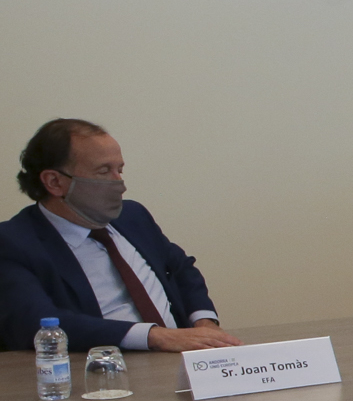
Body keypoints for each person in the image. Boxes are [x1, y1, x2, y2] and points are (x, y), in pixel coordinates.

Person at [0, 118, 239, 353]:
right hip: (103, 368)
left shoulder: (133, 216)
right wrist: (155, 336)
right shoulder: (13, 242)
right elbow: (34, 321)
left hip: (179, 356)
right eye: (104, 171)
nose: (120, 184)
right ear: (54, 182)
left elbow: (181, 268)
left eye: (120, 170)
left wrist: (204, 322)